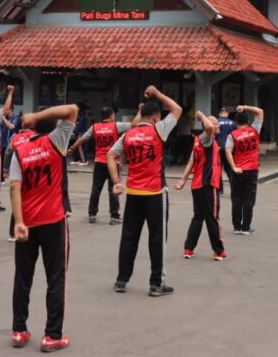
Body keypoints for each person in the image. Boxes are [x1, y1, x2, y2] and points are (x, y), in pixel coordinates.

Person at [9, 103, 77, 351]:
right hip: (54, 221)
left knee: (23, 277)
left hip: (27, 222)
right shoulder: (57, 142)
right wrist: (36, 116)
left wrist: (18, 222)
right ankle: (52, 335)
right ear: (54, 126)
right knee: (56, 278)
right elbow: (72, 109)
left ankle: (19, 331)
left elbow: (14, 187)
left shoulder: (20, 149)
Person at [107, 85, 182, 296]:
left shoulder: (128, 135)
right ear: (156, 117)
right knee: (157, 238)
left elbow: (110, 156)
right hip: (155, 193)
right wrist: (158, 94)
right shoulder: (159, 130)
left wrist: (116, 181)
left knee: (129, 237)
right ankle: (156, 283)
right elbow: (177, 109)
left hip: (134, 192)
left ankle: (122, 279)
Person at [175, 111, 226, 261]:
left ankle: (188, 248)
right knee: (213, 218)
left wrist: (183, 179)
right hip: (207, 185)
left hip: (197, 185)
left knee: (198, 217)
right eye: (216, 123)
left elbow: (191, 160)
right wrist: (202, 116)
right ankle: (219, 250)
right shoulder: (206, 138)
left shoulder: (198, 140)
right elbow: (209, 128)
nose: (218, 126)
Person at [68, 105, 131, 225]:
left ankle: (92, 214)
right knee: (114, 189)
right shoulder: (116, 125)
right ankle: (114, 216)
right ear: (111, 115)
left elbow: (83, 139)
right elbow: (134, 124)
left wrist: (72, 148)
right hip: (113, 163)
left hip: (99, 162)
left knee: (96, 189)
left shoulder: (94, 127)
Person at [225, 104, 264, 235]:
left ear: (235, 122)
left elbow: (228, 151)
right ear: (248, 122)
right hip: (252, 170)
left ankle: (236, 226)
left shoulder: (232, 135)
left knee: (236, 198)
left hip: (237, 170)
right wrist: (245, 107)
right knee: (248, 199)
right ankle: (246, 227)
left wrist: (233, 167)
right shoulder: (255, 130)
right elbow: (260, 112)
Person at [4, 123, 37, 242]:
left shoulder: (15, 138)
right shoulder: (34, 136)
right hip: (30, 173)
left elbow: (8, 153)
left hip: (17, 172)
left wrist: (6, 170)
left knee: (17, 203)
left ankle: (13, 233)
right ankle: (31, 229)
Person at [216, 109, 235, 196]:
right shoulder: (232, 123)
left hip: (218, 148)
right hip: (229, 149)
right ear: (227, 114)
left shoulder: (216, 122)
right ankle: (233, 190)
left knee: (218, 169)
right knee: (230, 170)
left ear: (219, 114)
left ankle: (220, 191)